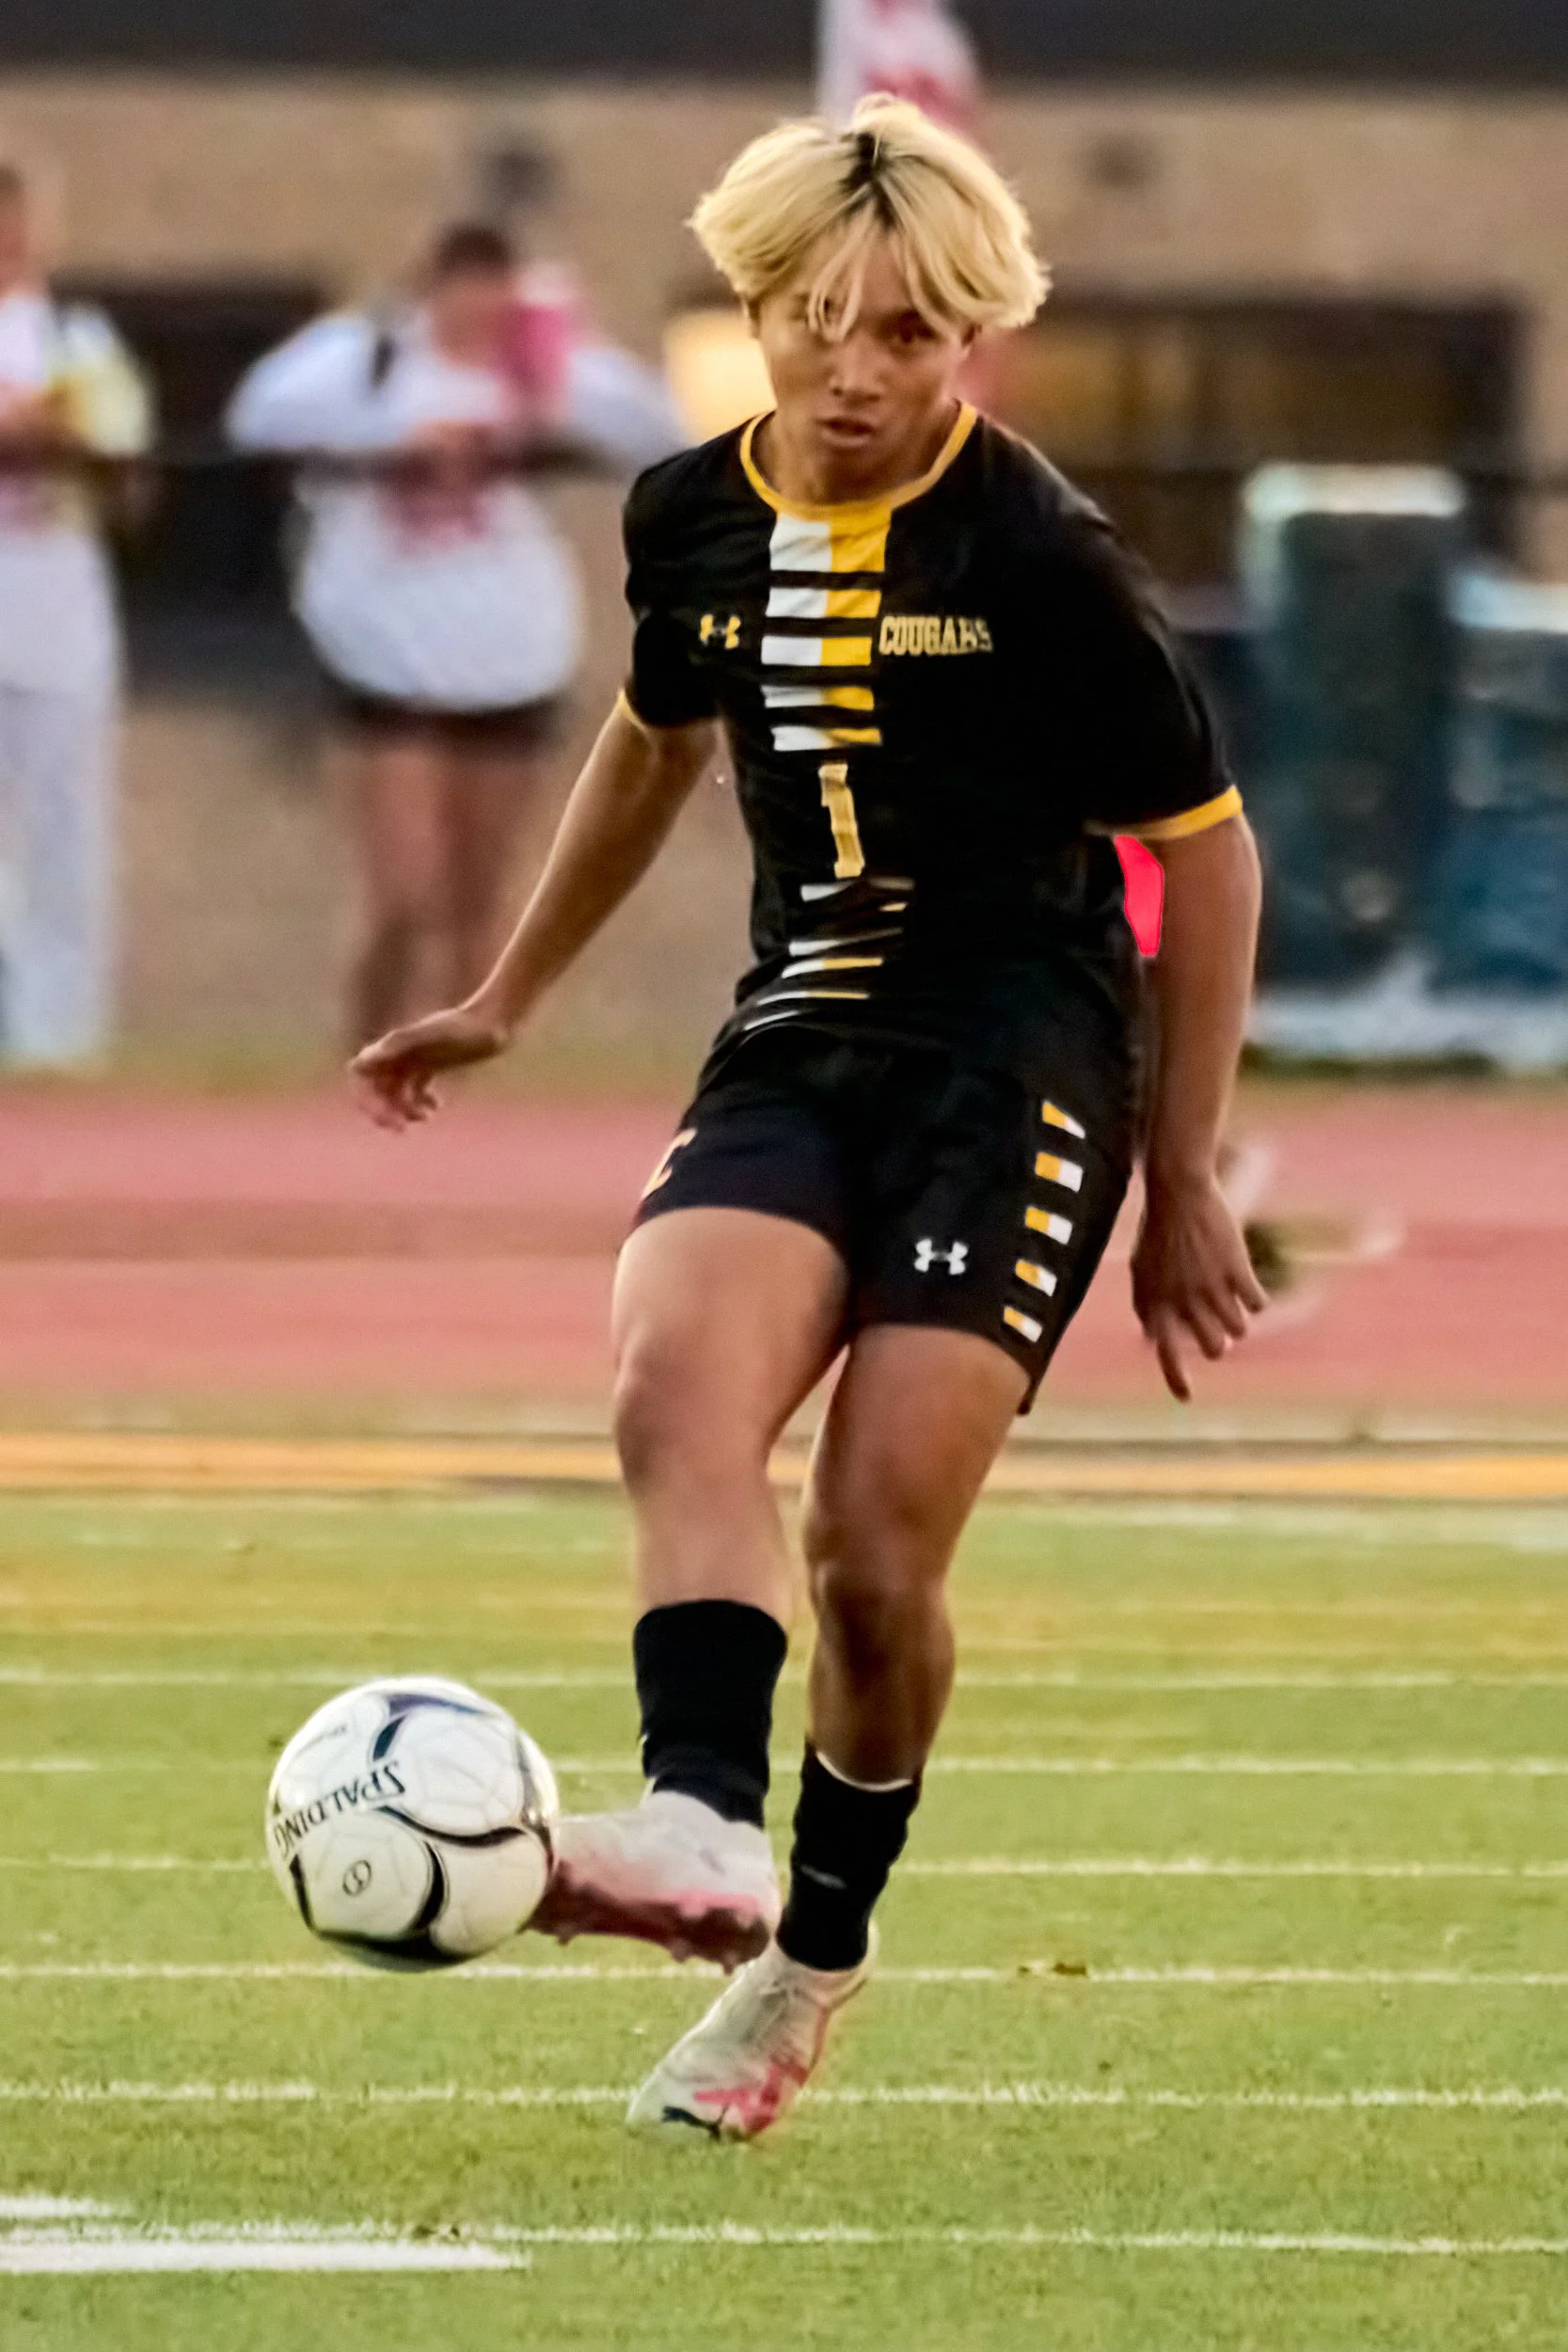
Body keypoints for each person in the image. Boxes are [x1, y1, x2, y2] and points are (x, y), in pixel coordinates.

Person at [354, 98, 1265, 2139]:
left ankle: (808, 1960)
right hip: (799, 1024)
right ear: (752, 305)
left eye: (907, 334)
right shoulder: (688, 514)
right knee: (673, 1381)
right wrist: (505, 994)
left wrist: (1183, 1176)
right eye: (812, 321)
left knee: (870, 1550)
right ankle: (695, 1813)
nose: (852, 371)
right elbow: (648, 740)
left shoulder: (1037, 558)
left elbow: (1205, 855)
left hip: (1014, 1056)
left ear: (970, 340)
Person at [228, 222, 684, 1045]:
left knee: (482, 901)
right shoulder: (367, 360)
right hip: (385, 652)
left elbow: (661, 431)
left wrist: (556, 382)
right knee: (405, 894)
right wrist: (389, 443)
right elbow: (257, 417)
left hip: (506, 652)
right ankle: (365, 1052)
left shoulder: (538, 365)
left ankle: (458, 1083)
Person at [0, 161, 153, 1065]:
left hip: (56, 607)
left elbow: (133, 488)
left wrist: (63, 439)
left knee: (64, 827)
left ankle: (58, 1037)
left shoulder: (77, 341)